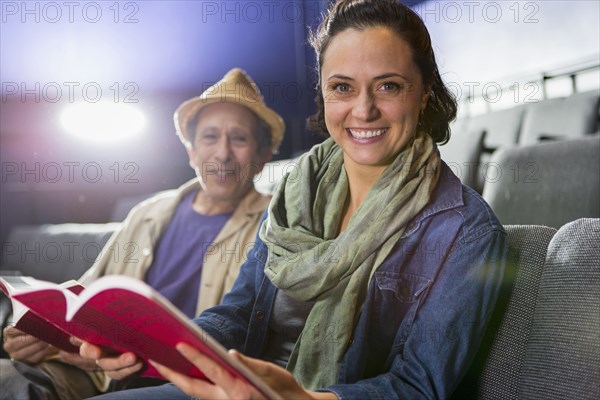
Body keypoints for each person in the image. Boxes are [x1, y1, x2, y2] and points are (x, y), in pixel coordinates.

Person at [82, 0, 508, 398]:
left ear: (424, 91)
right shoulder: (292, 193)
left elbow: (419, 387)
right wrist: (153, 345)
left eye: (388, 87)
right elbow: (239, 313)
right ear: (323, 93)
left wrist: (300, 398)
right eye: (342, 87)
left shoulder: (468, 231)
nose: (362, 111)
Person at [0, 68, 285, 400]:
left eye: (238, 138)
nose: (222, 153)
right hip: (97, 373)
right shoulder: (148, 212)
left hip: (183, 383)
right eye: (209, 137)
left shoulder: (275, 223)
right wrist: (42, 337)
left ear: (262, 157)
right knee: (8, 378)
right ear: (192, 151)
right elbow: (86, 296)